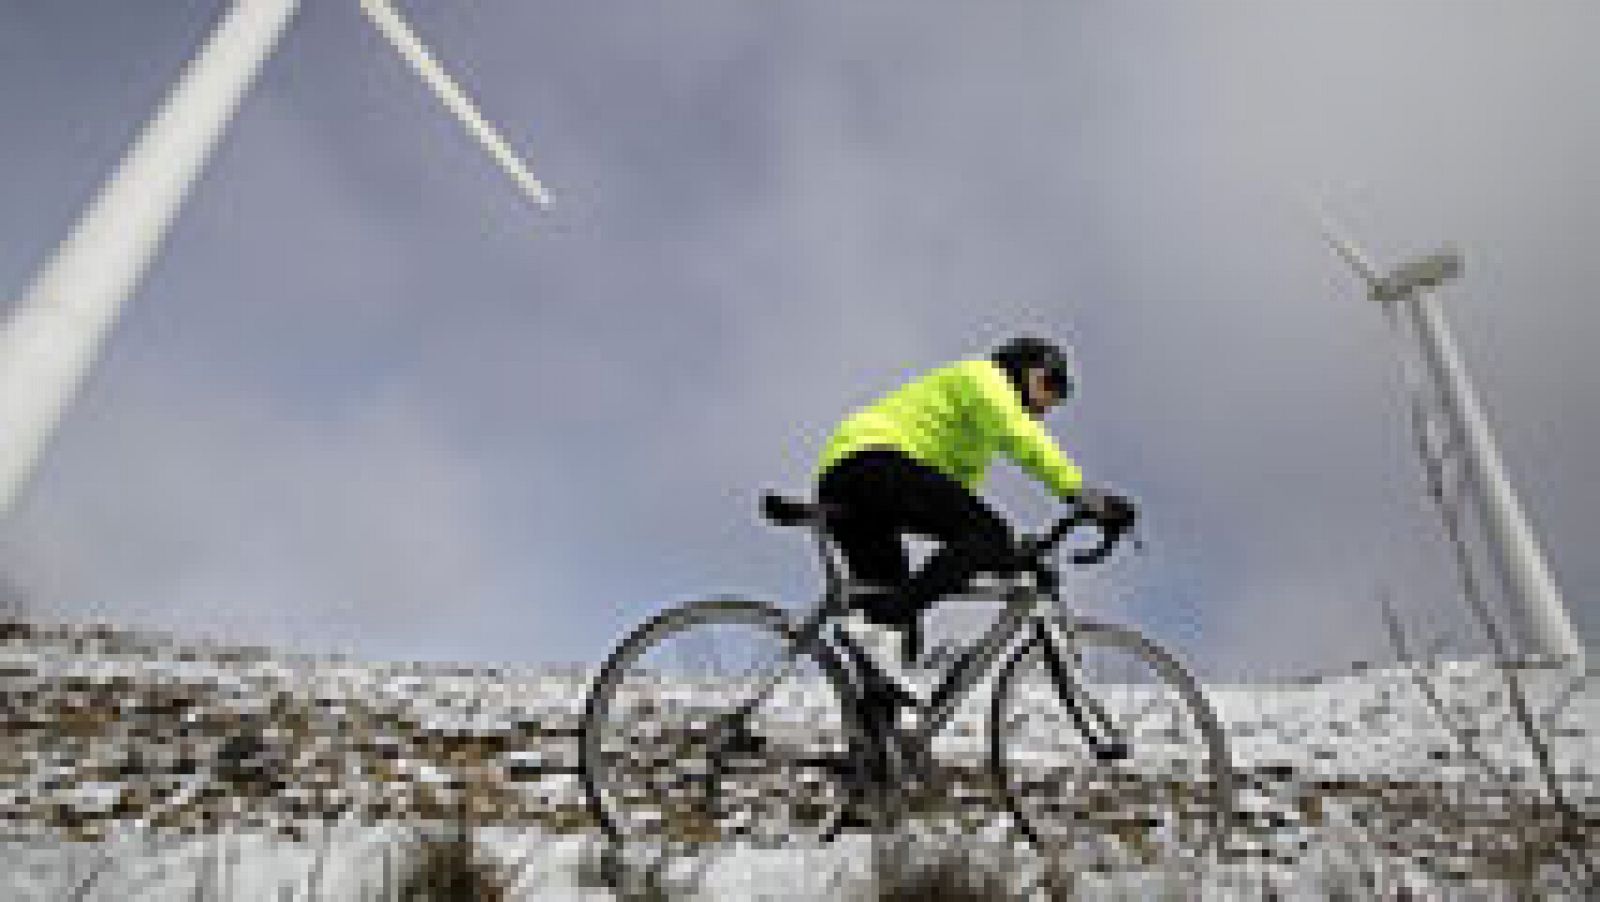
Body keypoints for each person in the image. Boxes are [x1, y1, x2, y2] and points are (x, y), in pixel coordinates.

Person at [816, 336, 1133, 716]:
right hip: (870, 463)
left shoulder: (974, 437)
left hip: (856, 478)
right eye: (1051, 384)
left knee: (896, 623)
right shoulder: (984, 379)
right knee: (984, 536)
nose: (1052, 402)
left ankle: (875, 756)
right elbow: (1024, 442)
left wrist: (1009, 554)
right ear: (1023, 370)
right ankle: (878, 625)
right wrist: (1082, 493)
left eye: (1061, 393)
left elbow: (951, 510)